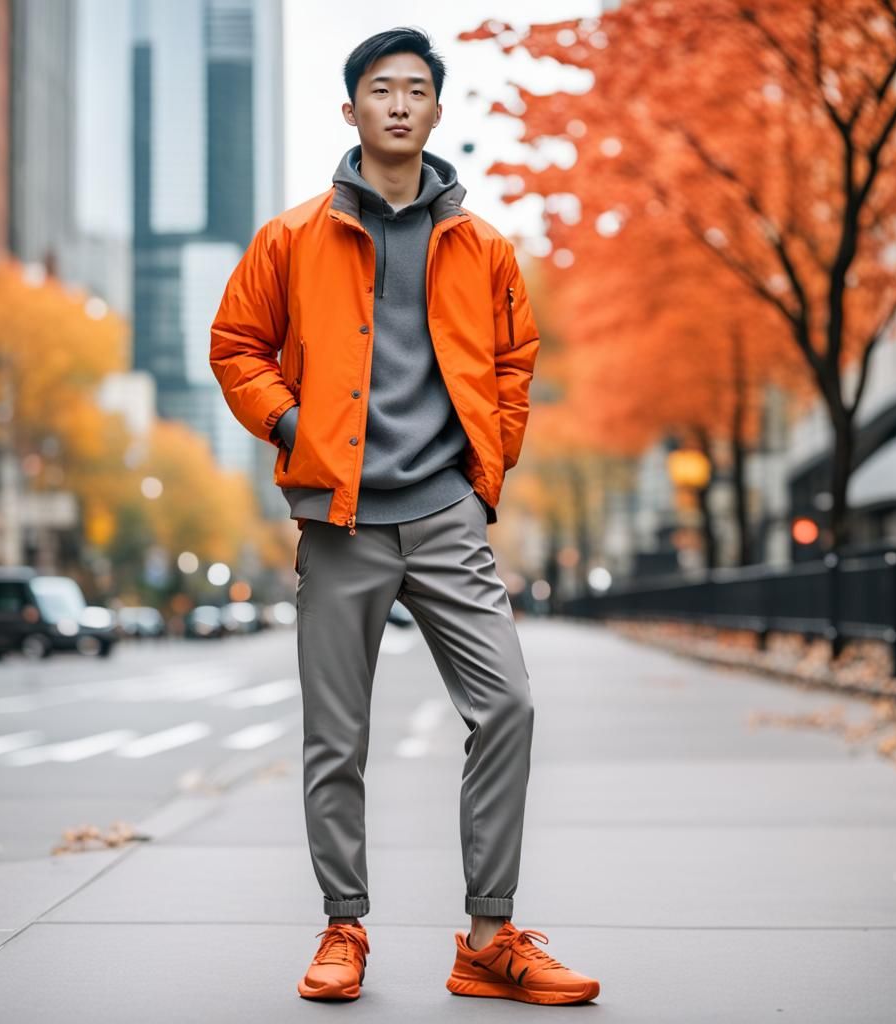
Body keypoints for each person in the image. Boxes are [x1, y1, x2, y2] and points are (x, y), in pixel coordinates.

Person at [210, 25, 600, 1007]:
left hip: (444, 514)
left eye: (414, 89)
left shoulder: (483, 247)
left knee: (505, 702)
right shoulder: (290, 238)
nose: (396, 102)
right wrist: (292, 423)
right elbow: (234, 345)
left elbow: (514, 363)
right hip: (338, 520)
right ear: (350, 110)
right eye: (378, 88)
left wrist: (485, 477)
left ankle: (488, 935)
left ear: (434, 111)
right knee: (336, 736)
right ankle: (344, 927)